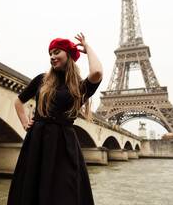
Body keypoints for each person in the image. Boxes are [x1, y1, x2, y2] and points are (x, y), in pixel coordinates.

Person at [7, 33, 103, 205]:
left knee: (65, 189)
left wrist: (87, 48)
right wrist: (24, 123)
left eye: (57, 52)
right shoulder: (41, 80)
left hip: (64, 143)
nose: (52, 57)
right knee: (31, 187)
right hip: (37, 139)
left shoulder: (80, 87)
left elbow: (97, 72)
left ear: (69, 55)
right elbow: (18, 101)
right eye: (50, 54)